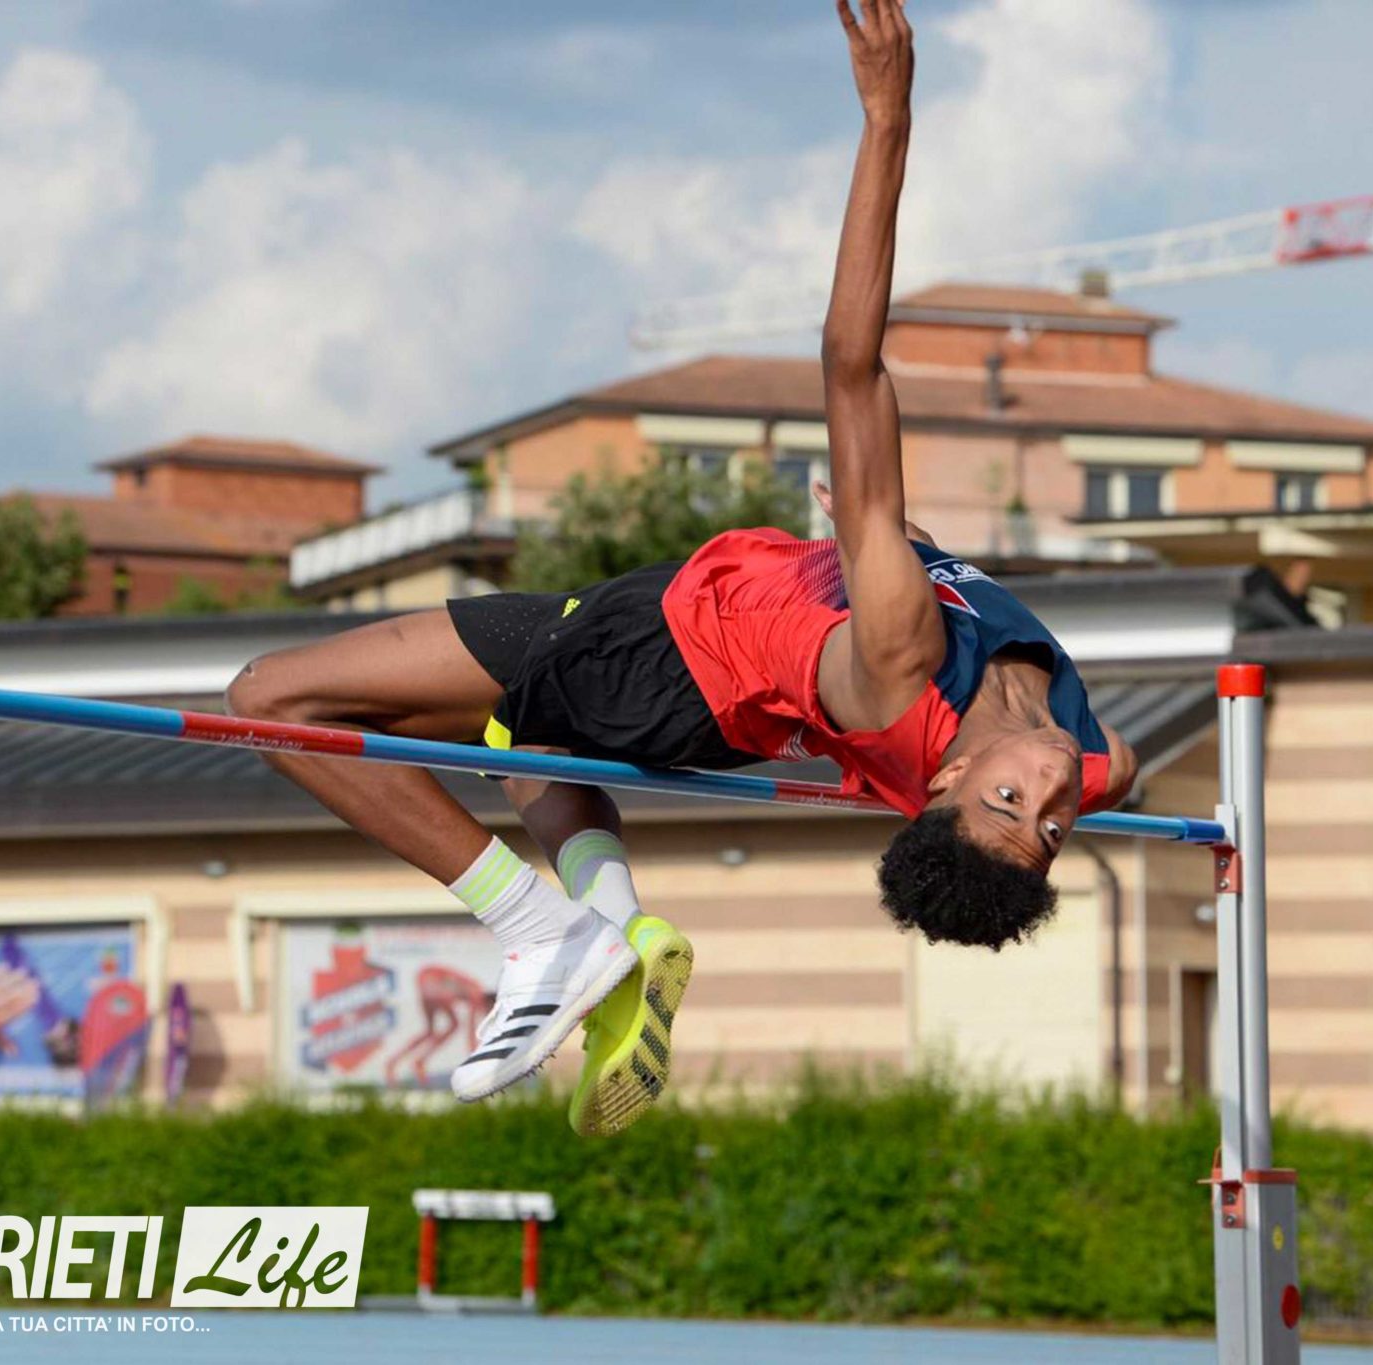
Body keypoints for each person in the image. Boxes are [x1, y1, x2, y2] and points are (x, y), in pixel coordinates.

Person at [224, 0, 1135, 1137]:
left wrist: (887, 120)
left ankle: (537, 930)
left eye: (1010, 802)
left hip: (662, 646)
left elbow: (851, 367)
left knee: (274, 701)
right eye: (1047, 828)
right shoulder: (1095, 758)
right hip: (716, 703)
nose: (1047, 792)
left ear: (945, 782)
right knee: (526, 740)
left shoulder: (904, 652)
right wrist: (891, 548)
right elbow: (1089, 767)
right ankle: (615, 928)